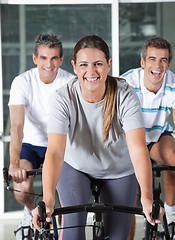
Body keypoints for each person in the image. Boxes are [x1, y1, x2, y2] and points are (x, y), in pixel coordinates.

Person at [32, 35, 164, 240]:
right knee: (71, 234)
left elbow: (138, 150)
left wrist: (147, 198)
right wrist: (48, 198)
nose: (91, 71)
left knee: (118, 236)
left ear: (109, 65)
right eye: (84, 64)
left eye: (98, 64)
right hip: (75, 165)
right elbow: (56, 151)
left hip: (119, 169)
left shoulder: (125, 95)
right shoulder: (62, 98)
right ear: (74, 66)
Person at [8, 33, 75, 240]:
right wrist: (13, 164)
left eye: (54, 58)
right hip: (29, 144)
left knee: (64, 193)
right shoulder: (22, 82)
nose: (49, 64)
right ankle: (29, 212)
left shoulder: (70, 82)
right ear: (35, 59)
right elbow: (17, 127)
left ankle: (62, 226)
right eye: (44, 58)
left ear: (61, 60)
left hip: (60, 143)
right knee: (22, 188)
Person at [121, 36, 175, 236]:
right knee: (130, 197)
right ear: (143, 62)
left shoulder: (172, 82)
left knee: (173, 158)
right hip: (131, 142)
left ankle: (171, 214)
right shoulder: (126, 83)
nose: (158, 65)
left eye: (163, 60)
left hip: (158, 137)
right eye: (152, 59)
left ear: (168, 64)